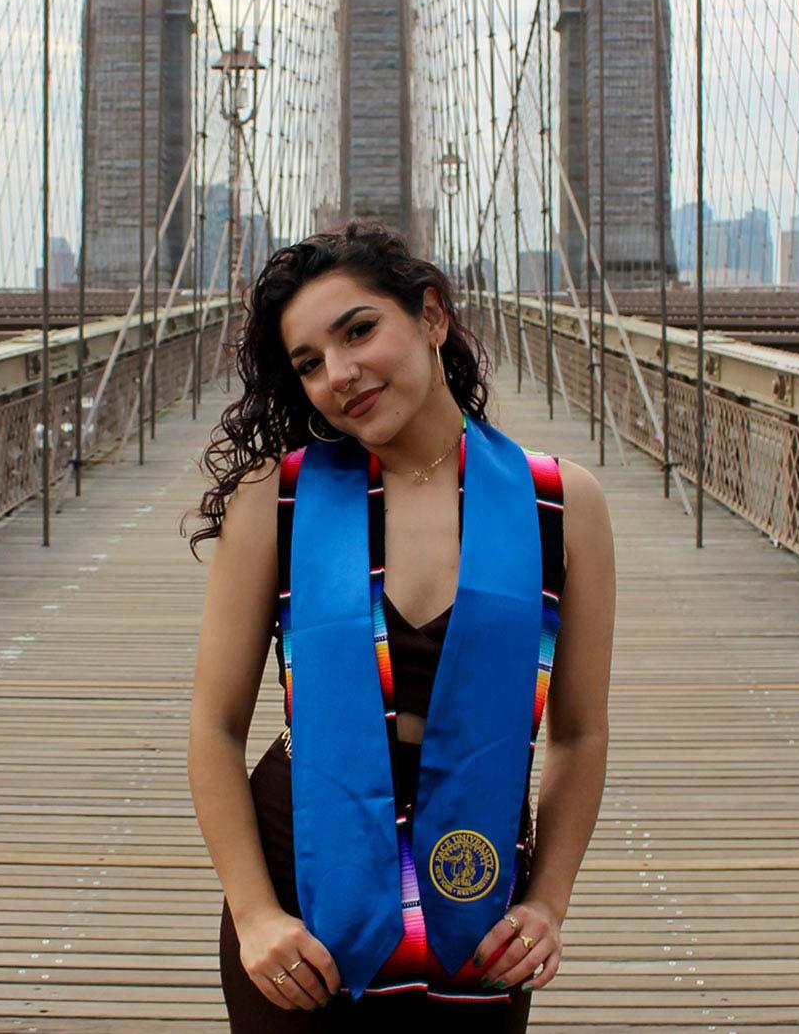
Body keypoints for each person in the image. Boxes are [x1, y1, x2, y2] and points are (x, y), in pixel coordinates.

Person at [185, 220, 616, 1029]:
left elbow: (579, 733)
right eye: (308, 362)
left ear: (430, 316)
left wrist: (550, 899)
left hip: (478, 889)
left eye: (358, 331)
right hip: (302, 887)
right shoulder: (273, 503)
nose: (338, 374)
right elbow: (213, 728)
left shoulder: (561, 505)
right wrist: (254, 914)